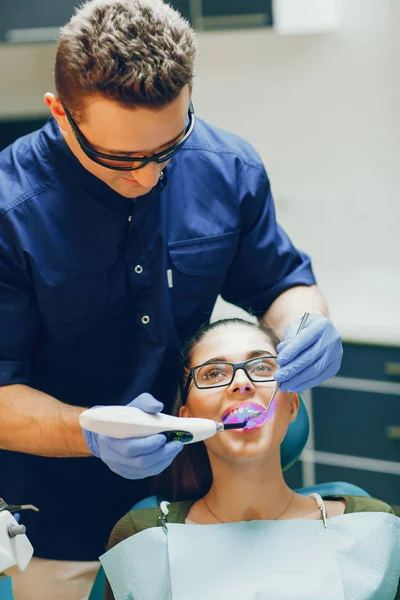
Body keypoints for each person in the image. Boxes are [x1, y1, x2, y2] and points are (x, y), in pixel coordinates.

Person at [0, 0, 343, 597]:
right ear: (60, 113)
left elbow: (281, 284)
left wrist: (307, 323)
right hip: (59, 523)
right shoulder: (10, 212)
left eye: (168, 147)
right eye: (120, 158)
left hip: (196, 499)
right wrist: (88, 431)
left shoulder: (226, 167)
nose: (149, 176)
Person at [104, 318, 400, 600]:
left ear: (292, 405)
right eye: (213, 373)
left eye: (261, 367)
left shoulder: (373, 529)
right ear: (188, 419)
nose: (241, 383)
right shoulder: (144, 541)